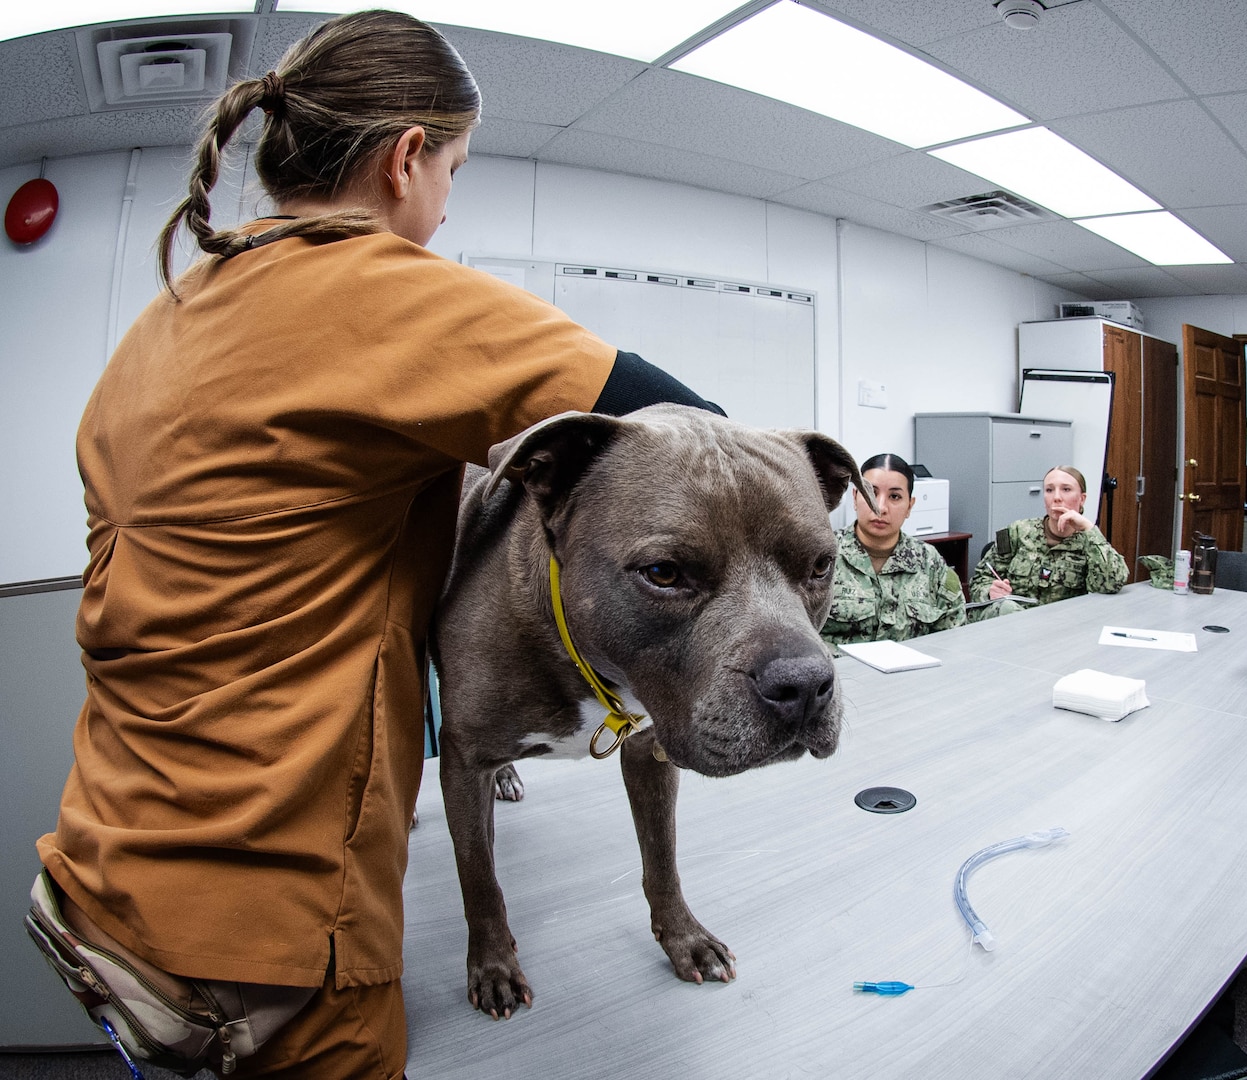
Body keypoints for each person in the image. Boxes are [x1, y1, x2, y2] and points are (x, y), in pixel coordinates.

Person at [34, 11, 715, 1077]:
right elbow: (692, 434)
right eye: (453, 172)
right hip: (274, 922)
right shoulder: (385, 293)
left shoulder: (165, 318)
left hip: (104, 869)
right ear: (406, 159)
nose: (445, 208)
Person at [821, 454, 965, 646]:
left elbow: (954, 636)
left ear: (909, 506)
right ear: (855, 498)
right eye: (870, 493)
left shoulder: (930, 562)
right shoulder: (823, 556)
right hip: (841, 673)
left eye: (894, 497)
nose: (880, 507)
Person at [967, 465, 1128, 619]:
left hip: (1061, 628)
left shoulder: (1090, 542)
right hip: (1011, 625)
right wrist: (990, 591)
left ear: (1082, 499)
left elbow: (1111, 585)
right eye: (1049, 490)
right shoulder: (1018, 532)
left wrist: (1088, 528)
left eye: (1066, 489)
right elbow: (980, 579)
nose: (1056, 497)